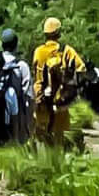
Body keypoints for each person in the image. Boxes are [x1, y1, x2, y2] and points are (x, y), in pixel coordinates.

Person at [30, 17, 85, 145]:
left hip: (41, 99)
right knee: (58, 137)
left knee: (41, 136)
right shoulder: (66, 50)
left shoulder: (39, 51)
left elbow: (36, 73)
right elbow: (81, 69)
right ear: (58, 33)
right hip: (60, 100)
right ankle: (57, 161)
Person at [0, 28, 35, 144]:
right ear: (16, 46)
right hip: (17, 118)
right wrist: (29, 123)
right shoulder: (22, 66)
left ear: (1, 44)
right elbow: (29, 96)